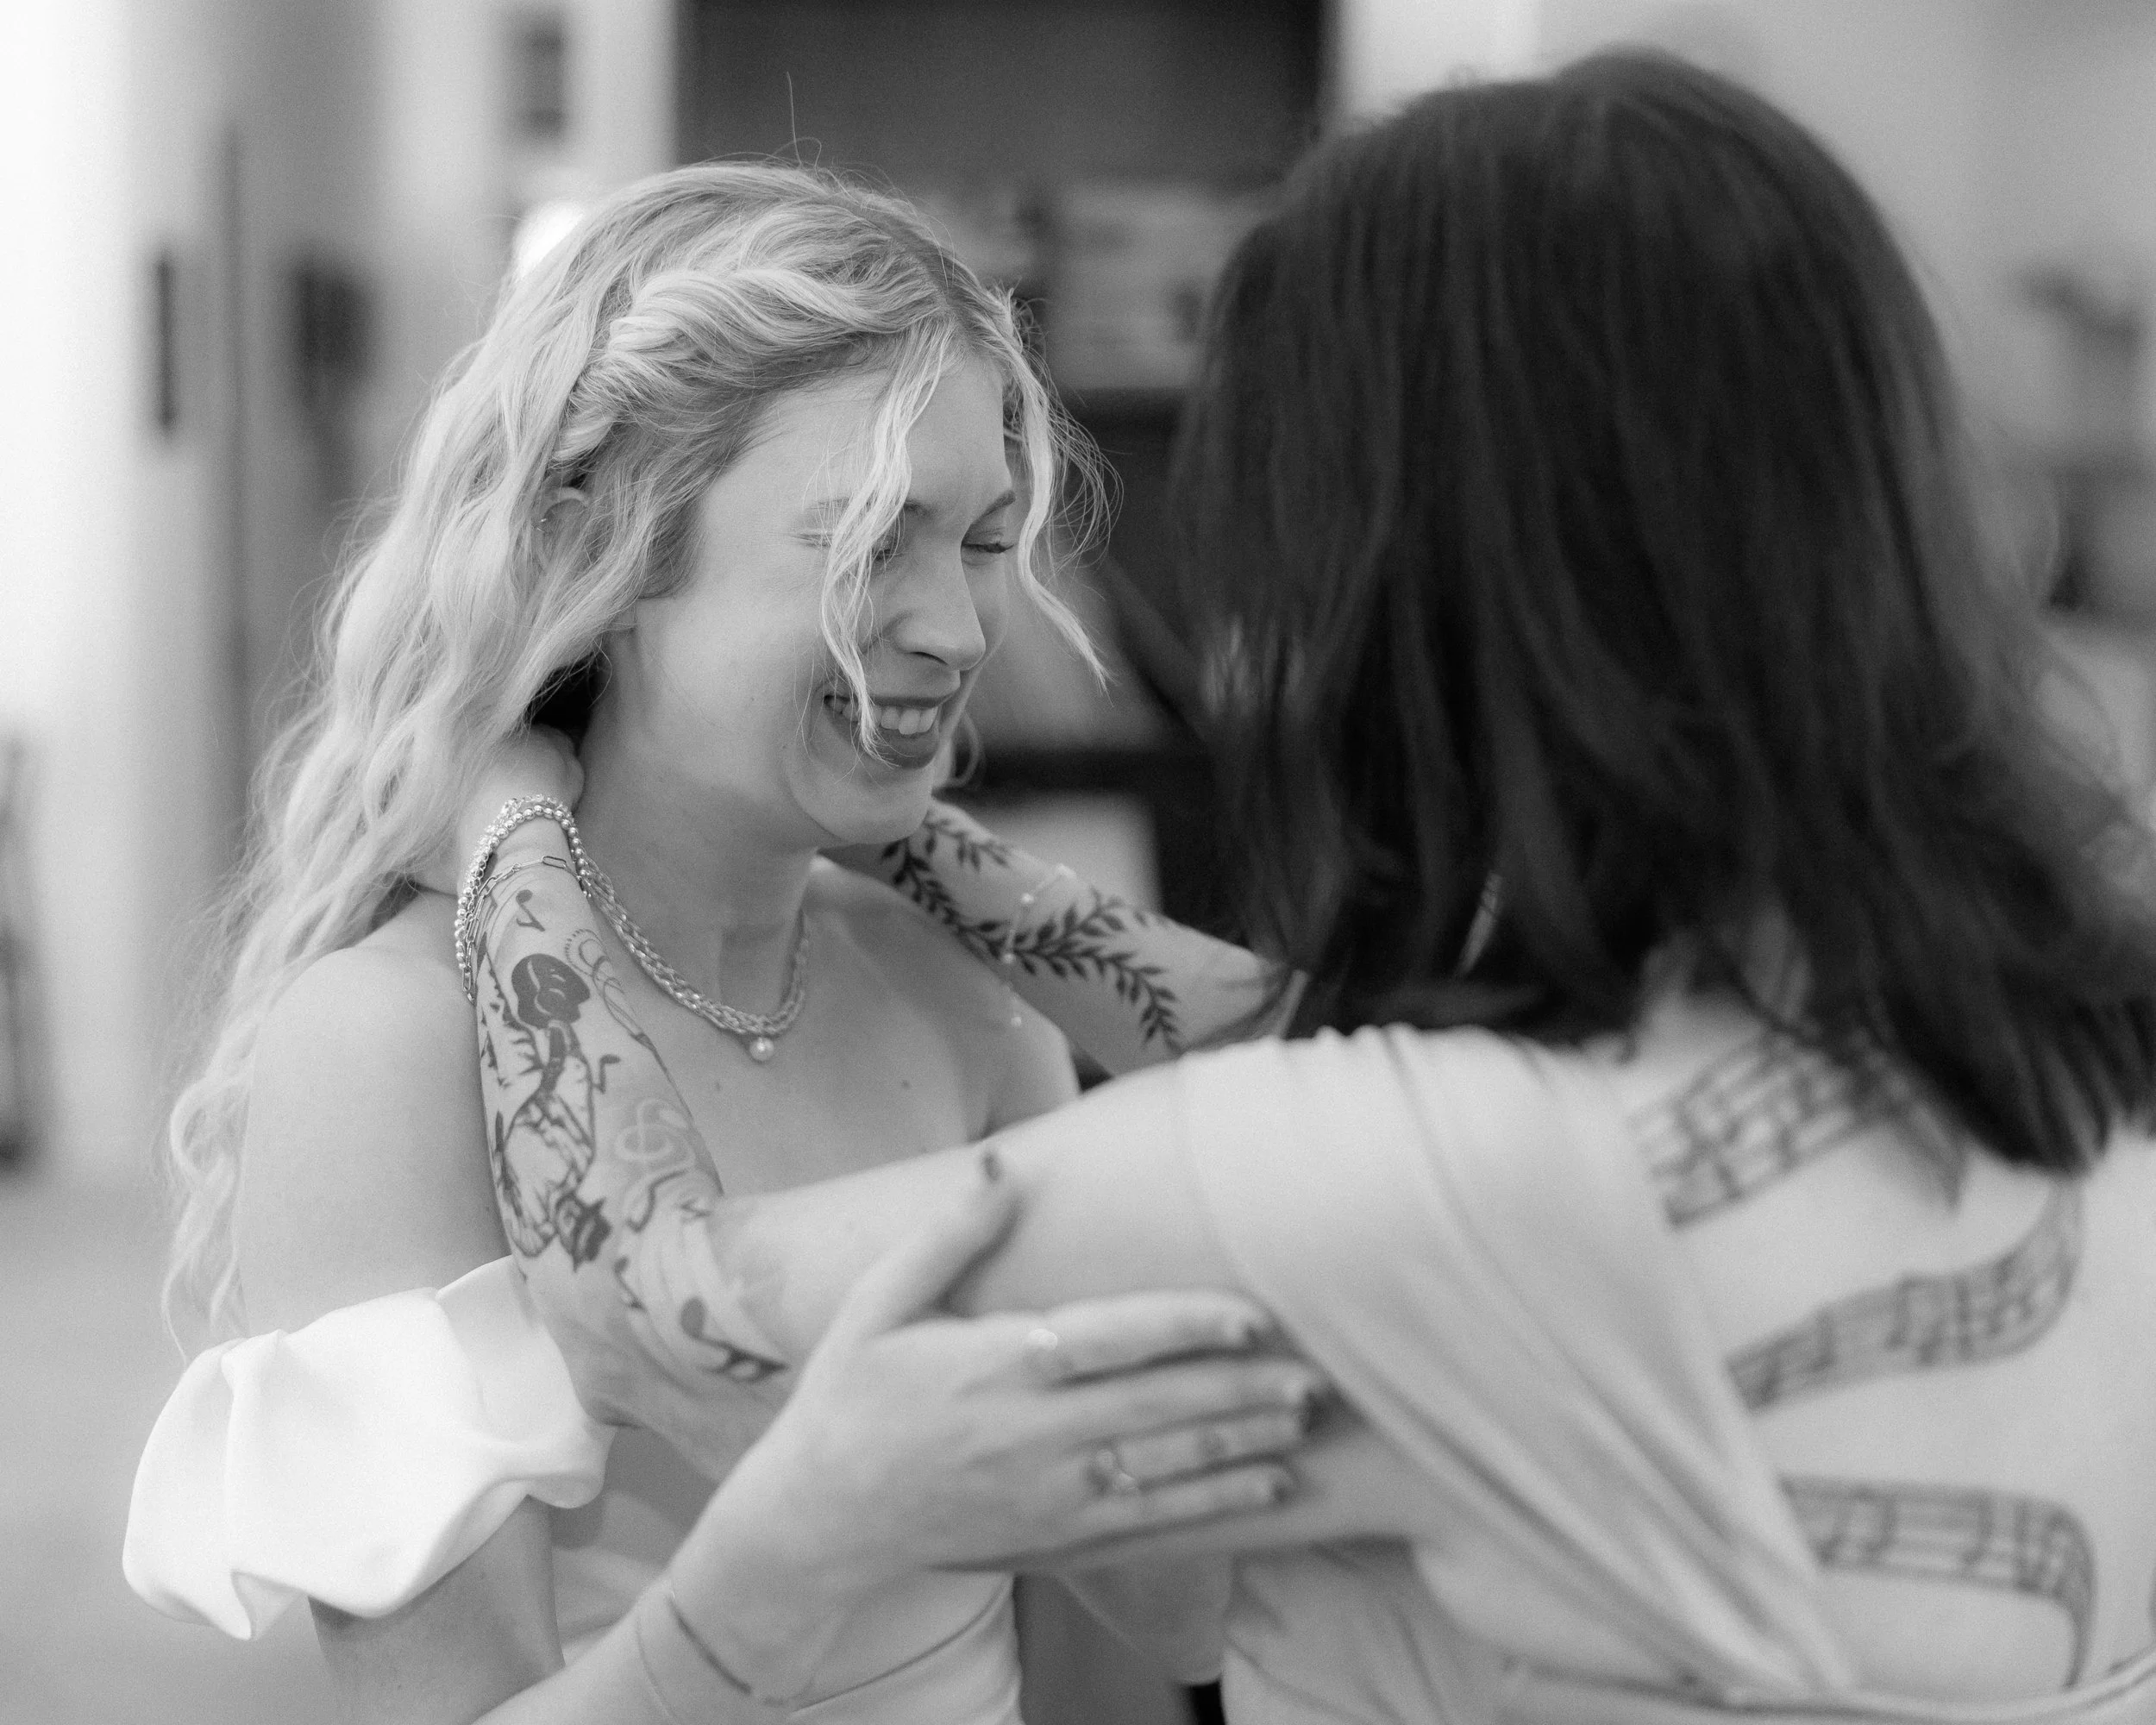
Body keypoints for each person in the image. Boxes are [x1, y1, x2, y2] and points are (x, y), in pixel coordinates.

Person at [455, 52, 2156, 1722]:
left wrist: (506, 796)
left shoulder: (1446, 1178)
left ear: (1407, 572)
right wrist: (895, 813)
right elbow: (1328, 1037)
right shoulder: (2060, 1060)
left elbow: (647, 1307)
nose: (964, 628)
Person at [122, 163, 1327, 1724]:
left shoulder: (955, 1003)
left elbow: (1134, 1656)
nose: (963, 632)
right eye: (873, 540)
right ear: (604, 548)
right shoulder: (392, 1048)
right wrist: (823, 1525)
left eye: (979, 541)